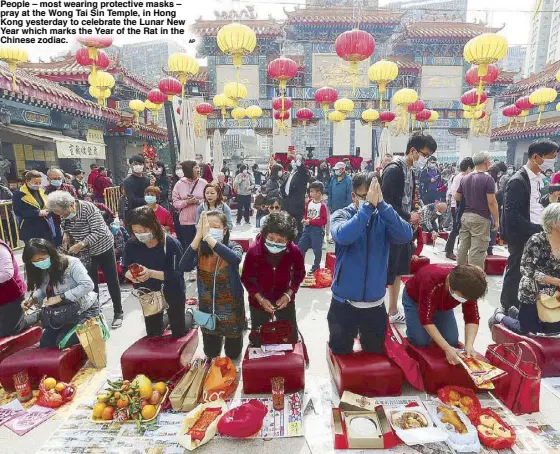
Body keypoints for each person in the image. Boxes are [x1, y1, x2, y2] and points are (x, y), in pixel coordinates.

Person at [329, 172, 413, 354]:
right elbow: (343, 236)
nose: (371, 201)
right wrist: (366, 208)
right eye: (365, 196)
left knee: (374, 351)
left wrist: (382, 205)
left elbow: (406, 235)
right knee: (340, 350)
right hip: (344, 303)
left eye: (374, 195)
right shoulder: (341, 215)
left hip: (374, 304)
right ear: (354, 196)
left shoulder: (384, 216)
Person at [381, 132, 437, 323]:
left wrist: (414, 212)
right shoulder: (394, 170)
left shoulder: (410, 171)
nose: (426, 159)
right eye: (425, 154)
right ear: (413, 151)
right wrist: (408, 215)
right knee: (386, 271)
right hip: (389, 230)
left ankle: (393, 310)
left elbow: (407, 200)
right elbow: (385, 203)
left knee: (398, 271)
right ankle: (377, 311)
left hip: (403, 229)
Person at [47, 191, 123, 328]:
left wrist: (82, 243)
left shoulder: (88, 208)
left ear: (70, 205)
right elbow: (65, 229)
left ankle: (118, 312)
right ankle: (96, 314)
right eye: (57, 213)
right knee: (90, 284)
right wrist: (66, 238)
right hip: (83, 253)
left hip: (102, 246)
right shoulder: (64, 215)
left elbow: (99, 231)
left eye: (61, 212)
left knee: (112, 279)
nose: (60, 215)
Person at [501, 139, 559, 310]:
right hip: (522, 234)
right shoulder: (518, 181)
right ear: (536, 157)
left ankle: (525, 304)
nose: (553, 161)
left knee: (532, 271)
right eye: (550, 157)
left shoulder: (539, 179)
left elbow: (535, 203)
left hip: (537, 232)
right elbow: (511, 215)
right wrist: (536, 229)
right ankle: (507, 306)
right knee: (516, 270)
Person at [179, 211, 245, 358]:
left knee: (233, 354)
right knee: (211, 353)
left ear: (225, 229)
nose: (210, 230)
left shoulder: (234, 246)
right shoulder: (200, 251)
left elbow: (235, 259)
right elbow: (183, 266)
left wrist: (209, 238)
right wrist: (198, 238)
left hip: (231, 308)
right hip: (207, 307)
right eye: (207, 227)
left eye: (215, 227)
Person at [490, 204, 560, 335]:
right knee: (527, 330)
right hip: (533, 291)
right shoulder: (537, 240)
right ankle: (499, 316)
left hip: (554, 295)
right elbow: (526, 270)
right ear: (552, 222)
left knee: (551, 330)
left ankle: (514, 312)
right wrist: (554, 281)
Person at [124, 207, 192, 338]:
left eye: (143, 231)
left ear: (153, 225)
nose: (139, 234)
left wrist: (150, 273)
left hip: (172, 289)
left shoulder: (171, 243)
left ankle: (189, 314)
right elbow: (125, 266)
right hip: (149, 292)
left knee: (179, 331)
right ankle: (165, 319)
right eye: (135, 231)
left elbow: (177, 274)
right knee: (154, 333)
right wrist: (131, 275)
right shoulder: (132, 243)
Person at [241, 212, 306, 346]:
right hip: (258, 301)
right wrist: (261, 299)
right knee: (259, 339)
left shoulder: (294, 251)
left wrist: (288, 295)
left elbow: (299, 274)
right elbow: (247, 279)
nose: (275, 244)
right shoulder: (254, 251)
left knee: (290, 337)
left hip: (284, 300)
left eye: (281, 240)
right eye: (271, 238)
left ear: (288, 240)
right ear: (264, 234)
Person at [22, 238, 100, 348]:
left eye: (41, 258)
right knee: (46, 343)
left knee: (62, 342)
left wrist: (62, 297)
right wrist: (33, 299)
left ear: (50, 253)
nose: (39, 263)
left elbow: (88, 285)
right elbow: (43, 288)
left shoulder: (71, 263)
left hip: (83, 310)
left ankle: (94, 327)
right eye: (35, 261)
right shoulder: (42, 269)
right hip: (62, 313)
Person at [403, 264, 487, 364]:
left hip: (443, 306)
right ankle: (413, 330)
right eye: (463, 297)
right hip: (416, 301)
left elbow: (472, 317)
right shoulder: (431, 280)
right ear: (449, 284)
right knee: (420, 341)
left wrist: (469, 345)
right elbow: (425, 319)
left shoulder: (468, 288)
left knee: (452, 341)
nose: (465, 300)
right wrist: (446, 348)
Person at [455, 151, 499, 270]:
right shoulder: (488, 179)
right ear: (486, 162)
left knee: (463, 246)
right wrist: (496, 220)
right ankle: (474, 279)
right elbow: (491, 201)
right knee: (477, 251)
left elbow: (457, 197)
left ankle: (459, 273)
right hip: (481, 217)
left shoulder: (465, 178)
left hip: (465, 216)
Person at [173, 160, 206, 280]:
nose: (198, 169)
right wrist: (187, 202)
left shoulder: (203, 182)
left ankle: (202, 267)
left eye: (198, 167)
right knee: (189, 245)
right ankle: (192, 269)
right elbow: (175, 203)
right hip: (186, 220)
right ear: (189, 169)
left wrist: (197, 201)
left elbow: (209, 199)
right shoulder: (179, 184)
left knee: (203, 245)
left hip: (201, 219)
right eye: (195, 167)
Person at [0, 241, 39, 337]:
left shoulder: (1, 249)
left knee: (9, 330)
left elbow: (7, 273)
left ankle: (40, 314)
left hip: (11, 296)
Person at [13, 170, 54, 244]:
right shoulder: (19, 193)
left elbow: (47, 205)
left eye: (39, 183)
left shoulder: (42, 191)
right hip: (29, 227)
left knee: (47, 248)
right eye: (35, 183)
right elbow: (18, 211)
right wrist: (37, 213)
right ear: (27, 181)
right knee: (34, 251)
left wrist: (48, 210)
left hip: (45, 226)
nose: (38, 185)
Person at [445, 158, 474, 260]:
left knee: (460, 230)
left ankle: (459, 251)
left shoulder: (464, 176)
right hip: (456, 206)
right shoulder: (460, 178)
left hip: (461, 206)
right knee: (456, 229)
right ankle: (449, 251)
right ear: (469, 167)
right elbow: (456, 194)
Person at [298, 181, 328, 274]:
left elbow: (324, 220)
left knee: (317, 250)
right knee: (300, 247)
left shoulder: (322, 205)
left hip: (317, 230)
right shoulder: (310, 202)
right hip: (307, 228)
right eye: (310, 191)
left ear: (319, 193)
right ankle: (299, 266)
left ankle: (316, 267)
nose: (310, 194)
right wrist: (304, 219)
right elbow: (306, 214)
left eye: (312, 191)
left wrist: (310, 221)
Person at [281, 154, 311, 242]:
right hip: (287, 205)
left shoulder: (303, 174)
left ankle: (297, 248)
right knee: (287, 229)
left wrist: (300, 166)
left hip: (296, 207)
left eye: (298, 160)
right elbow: (284, 187)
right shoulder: (291, 173)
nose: (295, 161)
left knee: (297, 230)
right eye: (295, 159)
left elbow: (305, 174)